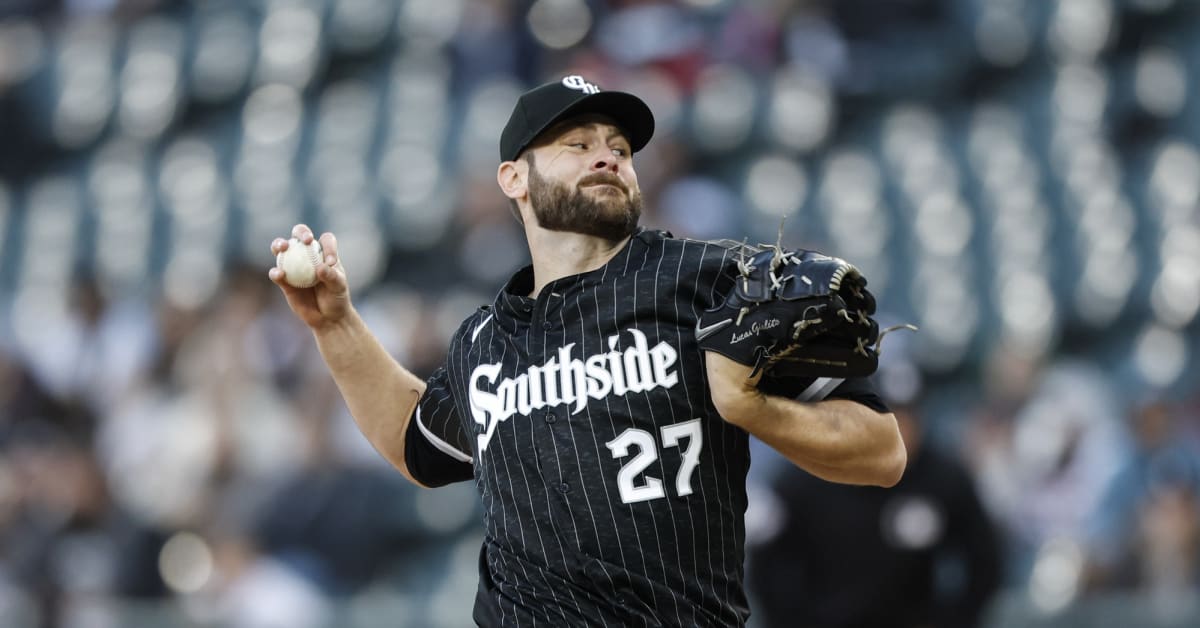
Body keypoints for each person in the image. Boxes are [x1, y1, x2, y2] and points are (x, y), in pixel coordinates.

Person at [268, 75, 906, 627]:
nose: (607, 157)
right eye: (577, 144)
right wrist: (336, 326)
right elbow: (417, 445)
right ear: (513, 178)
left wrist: (753, 410)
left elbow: (881, 451)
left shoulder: (709, 283)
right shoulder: (486, 339)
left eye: (620, 149)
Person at [747, 401, 1002, 628]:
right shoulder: (807, 474)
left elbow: (985, 557)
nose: (899, 432)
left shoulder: (943, 478)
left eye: (906, 418)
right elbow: (767, 562)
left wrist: (952, 620)